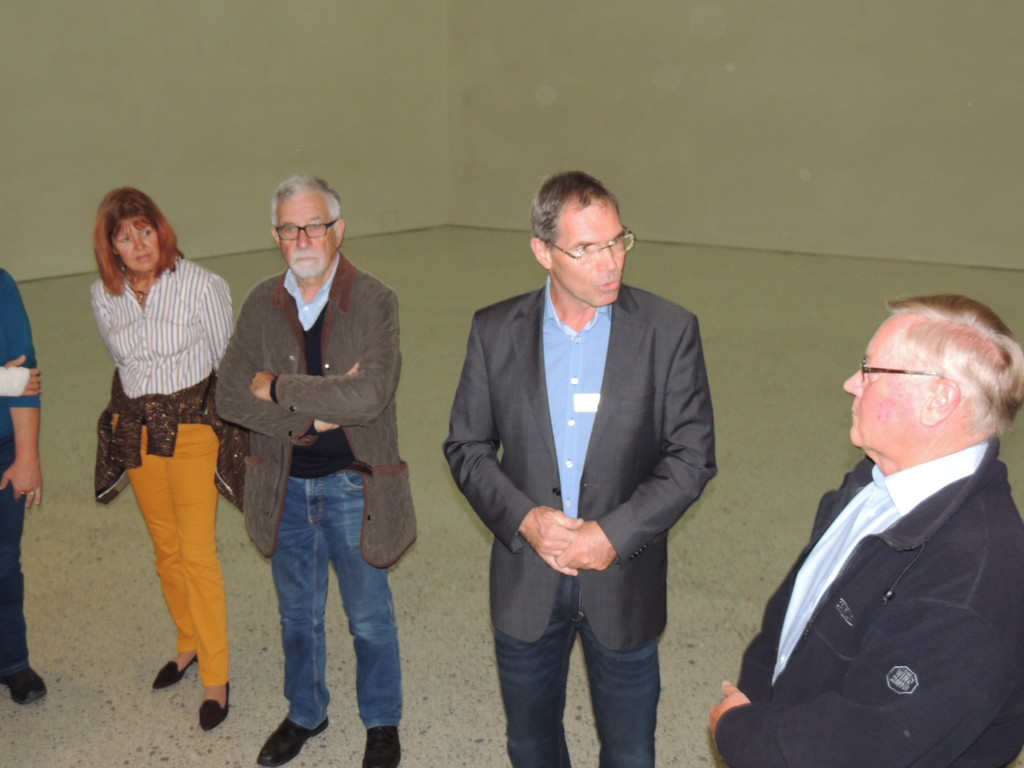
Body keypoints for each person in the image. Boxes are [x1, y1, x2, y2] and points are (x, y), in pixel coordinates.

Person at [444, 170, 717, 767]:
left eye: (618, 241)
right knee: (530, 744)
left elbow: (691, 457)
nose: (610, 262)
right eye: (587, 248)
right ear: (543, 251)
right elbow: (466, 446)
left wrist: (611, 534)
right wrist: (526, 519)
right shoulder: (495, 332)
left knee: (630, 751)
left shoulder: (668, 331)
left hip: (623, 582)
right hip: (526, 579)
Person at [710, 295, 1024, 768]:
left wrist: (741, 731)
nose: (850, 383)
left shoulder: (971, 584)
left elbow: (866, 745)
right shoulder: (876, 481)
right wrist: (757, 698)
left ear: (938, 400)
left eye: (870, 370)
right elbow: (799, 605)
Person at [216, 174, 414, 768]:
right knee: (296, 617)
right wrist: (311, 420)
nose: (302, 239)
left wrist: (277, 387)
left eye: (314, 226)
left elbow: (371, 394)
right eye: (289, 228)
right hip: (283, 488)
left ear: (338, 230)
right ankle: (306, 712)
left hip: (355, 484)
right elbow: (228, 395)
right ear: (275, 235)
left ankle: (381, 721)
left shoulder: (375, 300)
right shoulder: (260, 302)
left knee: (369, 617)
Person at [91, 188, 234, 731]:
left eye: (145, 231)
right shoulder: (103, 296)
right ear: (111, 248)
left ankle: (216, 676)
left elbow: (226, 360)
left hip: (193, 430)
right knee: (166, 549)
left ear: (161, 230)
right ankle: (187, 642)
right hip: (138, 434)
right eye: (125, 237)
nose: (139, 244)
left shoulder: (202, 285)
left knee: (197, 553)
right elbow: (122, 361)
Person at [0, 269, 46, 705]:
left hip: (3, 448)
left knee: (3, 563)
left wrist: (27, 456)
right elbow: (12, 378)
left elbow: (24, 369)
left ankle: (12, 660)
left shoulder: (1, 284)